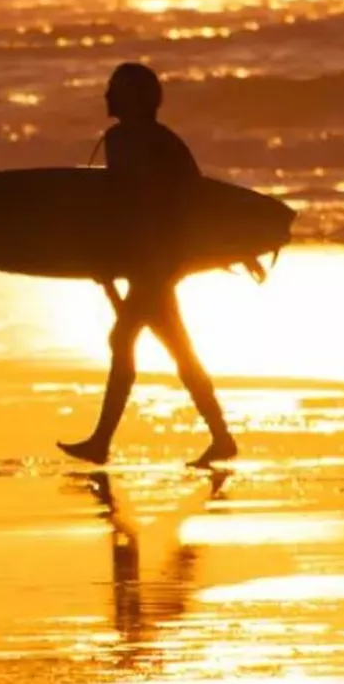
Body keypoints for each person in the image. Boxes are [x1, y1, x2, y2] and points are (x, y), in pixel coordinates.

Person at [58, 63, 237, 468]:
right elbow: (130, 202)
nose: (105, 96)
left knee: (127, 339)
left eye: (113, 89)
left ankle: (102, 442)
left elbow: (161, 201)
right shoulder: (140, 139)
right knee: (171, 348)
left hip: (157, 258)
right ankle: (220, 436)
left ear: (132, 97)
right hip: (151, 258)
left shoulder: (140, 140)